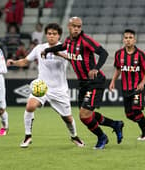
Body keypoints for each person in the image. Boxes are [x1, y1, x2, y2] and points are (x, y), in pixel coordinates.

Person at [42, 17, 124, 149]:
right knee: (87, 115)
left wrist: (96, 68)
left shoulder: (86, 41)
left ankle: (102, 137)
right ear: (69, 27)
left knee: (84, 116)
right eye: (74, 26)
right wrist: (48, 50)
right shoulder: (69, 41)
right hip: (83, 84)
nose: (76, 29)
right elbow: (62, 46)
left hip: (95, 82)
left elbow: (103, 53)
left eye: (79, 26)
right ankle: (115, 124)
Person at [6, 23, 84, 148]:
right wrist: (13, 62)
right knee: (30, 106)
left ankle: (74, 136)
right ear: (46, 35)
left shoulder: (65, 48)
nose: (51, 36)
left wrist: (59, 54)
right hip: (42, 87)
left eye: (54, 34)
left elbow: (75, 60)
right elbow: (26, 61)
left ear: (59, 36)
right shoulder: (39, 48)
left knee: (67, 118)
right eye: (49, 34)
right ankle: (27, 136)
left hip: (59, 90)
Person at [109, 29, 145, 141]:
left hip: (137, 87)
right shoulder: (119, 54)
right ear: (123, 40)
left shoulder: (140, 55)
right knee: (129, 114)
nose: (128, 40)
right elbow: (118, 69)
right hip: (125, 88)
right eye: (126, 38)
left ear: (134, 40)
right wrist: (113, 81)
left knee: (136, 109)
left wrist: (142, 83)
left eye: (130, 38)